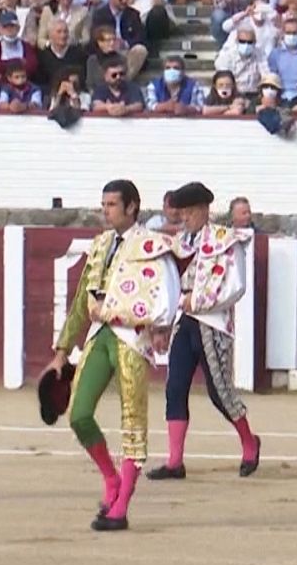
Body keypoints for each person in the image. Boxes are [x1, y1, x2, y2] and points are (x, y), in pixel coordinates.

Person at [43, 180, 181, 532]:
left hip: (132, 338)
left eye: (112, 204)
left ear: (132, 207)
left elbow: (169, 288)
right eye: (103, 204)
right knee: (78, 414)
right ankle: (111, 479)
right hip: (99, 334)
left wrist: (161, 326)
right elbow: (80, 301)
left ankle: (121, 506)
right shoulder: (100, 243)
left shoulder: (152, 244)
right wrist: (61, 352)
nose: (106, 210)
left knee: (132, 420)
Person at [147, 182, 262, 481]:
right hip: (185, 323)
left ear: (202, 210)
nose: (183, 218)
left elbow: (236, 286)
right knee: (175, 388)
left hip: (213, 324)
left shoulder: (226, 240)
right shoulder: (180, 242)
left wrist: (195, 301)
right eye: (180, 212)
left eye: (187, 212)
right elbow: (168, 285)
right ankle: (175, 462)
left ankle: (249, 442)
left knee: (219, 392)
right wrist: (163, 320)